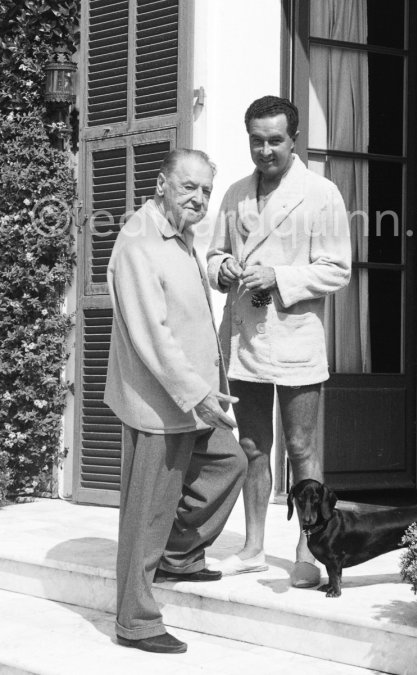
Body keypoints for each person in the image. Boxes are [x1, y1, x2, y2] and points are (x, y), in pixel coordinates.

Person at [105, 148, 247, 654]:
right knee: (148, 512)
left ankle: (180, 556)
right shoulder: (139, 242)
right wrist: (198, 393)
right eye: (189, 187)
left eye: (207, 190)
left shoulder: (180, 237)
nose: (200, 199)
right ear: (162, 183)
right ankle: (135, 621)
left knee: (229, 463)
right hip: (159, 402)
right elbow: (153, 336)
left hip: (191, 397)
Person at [207, 96, 351, 588]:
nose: (265, 150)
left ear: (294, 139)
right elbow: (213, 255)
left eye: (275, 140)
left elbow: (337, 268)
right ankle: (251, 546)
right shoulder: (235, 194)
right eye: (256, 140)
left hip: (294, 336)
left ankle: (308, 551)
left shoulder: (321, 192)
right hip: (246, 335)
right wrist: (221, 269)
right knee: (251, 445)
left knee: (301, 446)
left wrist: (279, 276)